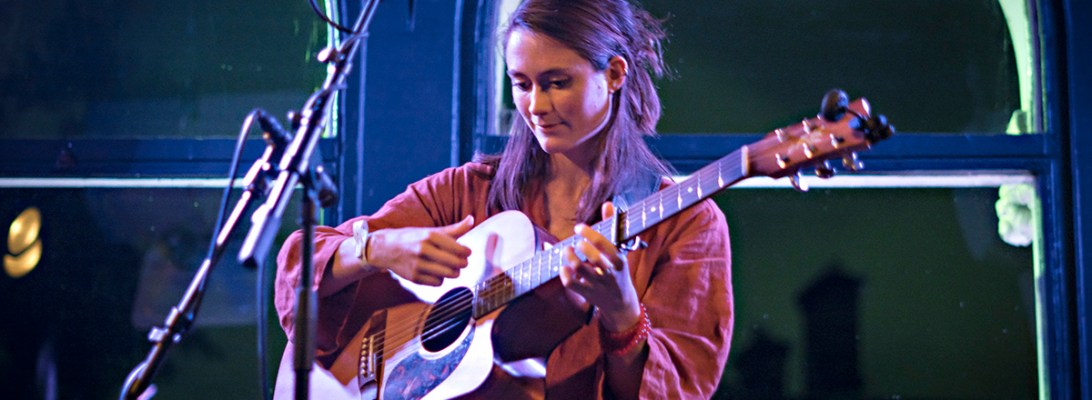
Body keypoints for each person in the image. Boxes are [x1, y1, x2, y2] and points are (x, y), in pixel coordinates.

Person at [274, 0, 733, 398]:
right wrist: (374, 249)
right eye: (521, 83)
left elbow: (679, 388)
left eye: (556, 82)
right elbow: (299, 265)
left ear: (613, 74)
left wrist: (623, 316)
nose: (534, 105)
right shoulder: (467, 191)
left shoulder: (689, 225)